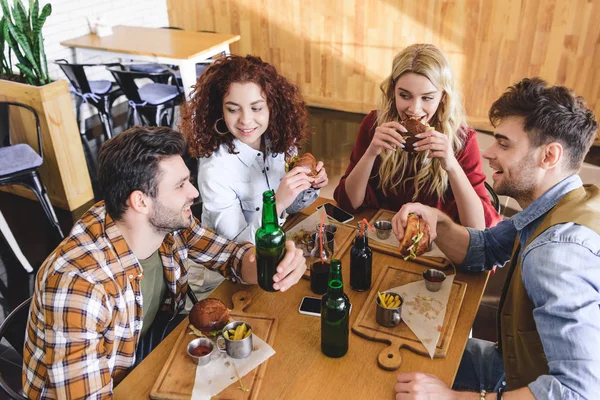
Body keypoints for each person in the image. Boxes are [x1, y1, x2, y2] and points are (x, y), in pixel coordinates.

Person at [22, 126, 307, 398]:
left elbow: (231, 257)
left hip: (146, 343)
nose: (193, 193)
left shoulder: (163, 222)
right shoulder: (80, 288)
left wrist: (275, 262)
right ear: (141, 202)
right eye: (181, 185)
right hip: (110, 380)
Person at [392, 78, 600, 399]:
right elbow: (485, 248)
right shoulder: (565, 202)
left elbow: (578, 392)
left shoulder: (557, 253)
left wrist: (454, 398)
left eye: (504, 144)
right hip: (514, 365)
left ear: (549, 156)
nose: (488, 153)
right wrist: (438, 223)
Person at [334, 44, 501, 228]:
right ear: (392, 91)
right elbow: (349, 203)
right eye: (405, 95)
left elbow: (478, 227)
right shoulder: (374, 125)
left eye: (427, 98)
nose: (414, 109)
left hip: (435, 245)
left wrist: (451, 164)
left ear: (443, 97)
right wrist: (371, 152)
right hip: (382, 235)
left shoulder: (462, 140)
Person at [180, 55, 329, 243]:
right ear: (220, 111)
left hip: (279, 245)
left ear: (271, 108)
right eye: (233, 109)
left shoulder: (279, 140)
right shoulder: (216, 171)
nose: (246, 120)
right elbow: (238, 248)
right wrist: (277, 203)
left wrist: (306, 186)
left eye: (256, 108)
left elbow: (290, 209)